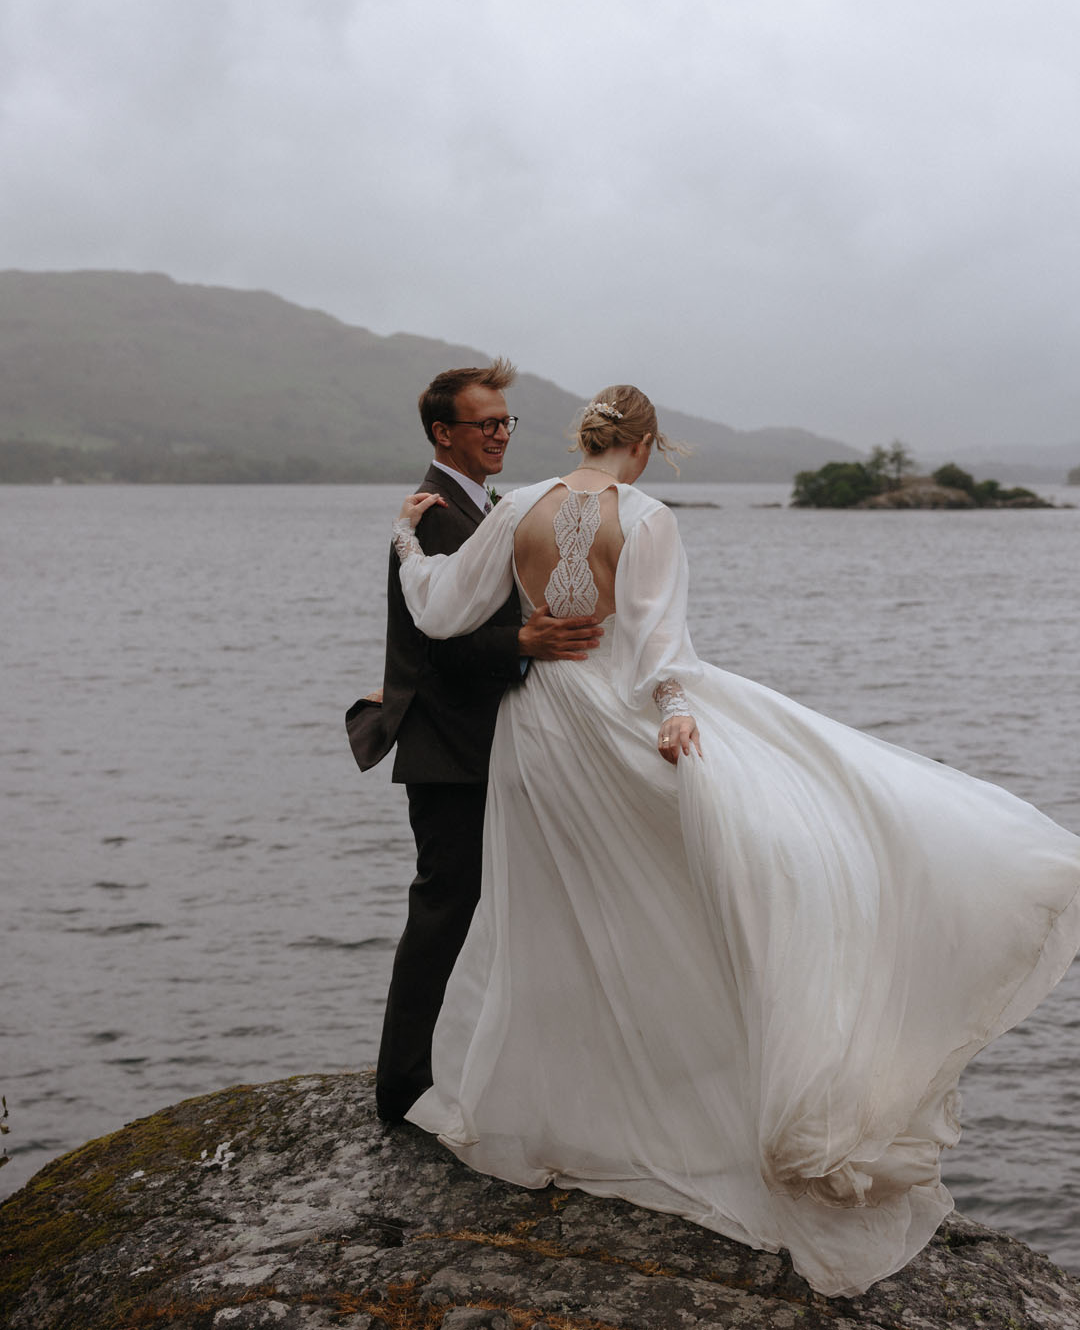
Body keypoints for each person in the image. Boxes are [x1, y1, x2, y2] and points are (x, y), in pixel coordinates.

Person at [385, 384, 1080, 1298]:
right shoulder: (647, 518)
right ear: (647, 446)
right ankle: (684, 1101)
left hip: (538, 730)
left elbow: (439, 607)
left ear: (583, 438)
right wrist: (675, 714)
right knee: (710, 878)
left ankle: (568, 1111)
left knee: (558, 910)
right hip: (611, 714)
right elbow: (661, 645)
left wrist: (406, 543)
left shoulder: (516, 506)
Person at [347, 359, 603, 1125]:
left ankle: (454, 1068)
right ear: (442, 433)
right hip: (451, 750)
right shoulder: (432, 516)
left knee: (474, 910)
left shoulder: (473, 506)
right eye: (484, 423)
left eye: (505, 422)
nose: (499, 434)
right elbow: (441, 646)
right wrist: (524, 639)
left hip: (480, 744)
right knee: (444, 911)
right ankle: (403, 1087)